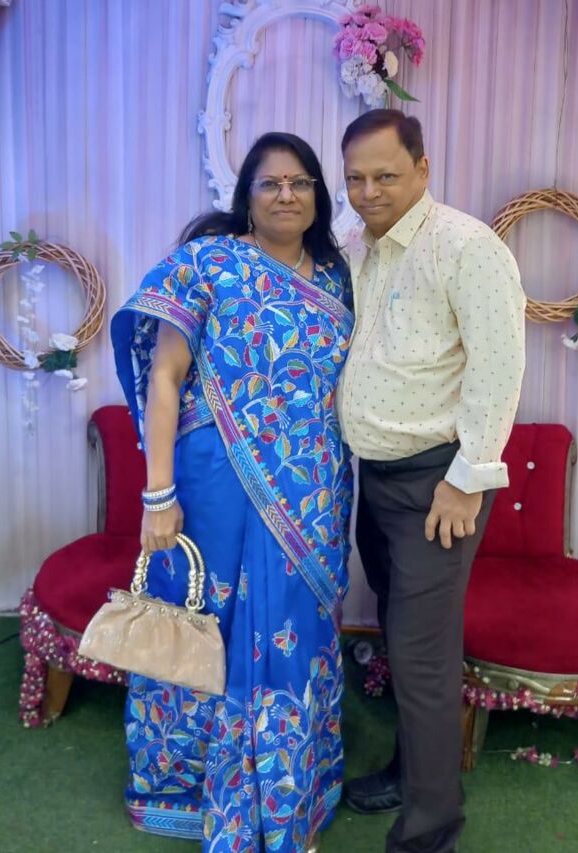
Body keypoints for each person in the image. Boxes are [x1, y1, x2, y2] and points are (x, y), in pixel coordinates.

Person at [111, 132, 354, 853]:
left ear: (318, 196)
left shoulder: (337, 278)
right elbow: (164, 377)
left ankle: (286, 792)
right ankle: (186, 790)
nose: (287, 195)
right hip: (213, 484)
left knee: (296, 629)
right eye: (271, 183)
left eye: (301, 183)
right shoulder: (207, 262)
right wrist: (158, 495)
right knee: (205, 617)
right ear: (245, 194)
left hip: (309, 494)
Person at [337, 110, 526, 853]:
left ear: (423, 168)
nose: (369, 191)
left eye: (385, 175)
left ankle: (430, 830)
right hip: (377, 478)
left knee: (422, 658)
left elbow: (498, 368)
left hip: (436, 486)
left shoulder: (466, 247)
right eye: (356, 178)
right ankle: (411, 773)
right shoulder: (358, 247)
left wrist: (466, 479)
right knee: (400, 637)